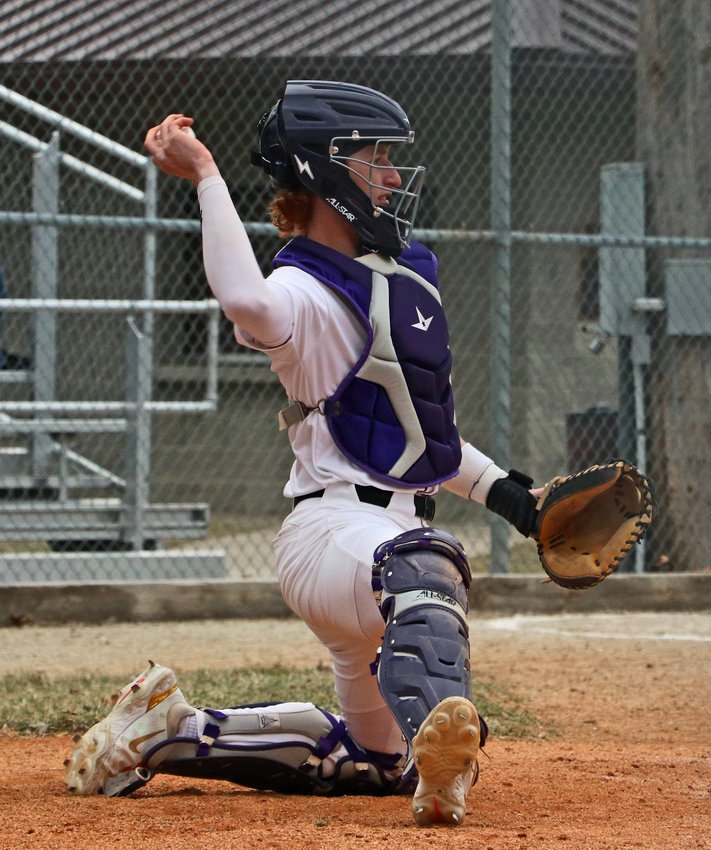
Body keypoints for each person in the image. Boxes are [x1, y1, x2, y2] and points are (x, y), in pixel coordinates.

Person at [64, 80, 541, 827]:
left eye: (389, 158)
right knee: (430, 561)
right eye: (373, 159)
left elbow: (420, 441)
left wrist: (517, 501)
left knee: (368, 763)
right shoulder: (299, 288)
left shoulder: (397, 281)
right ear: (323, 173)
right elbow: (245, 300)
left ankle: (163, 730)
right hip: (333, 541)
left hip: (379, 544)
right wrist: (208, 178)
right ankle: (443, 765)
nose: (390, 175)